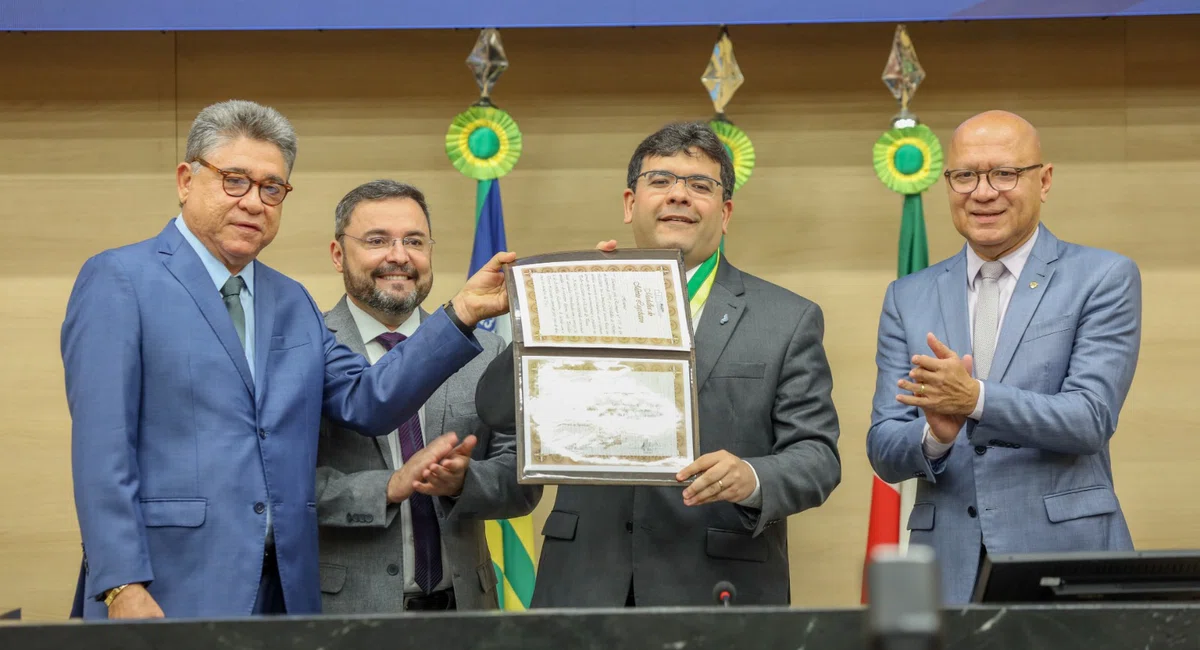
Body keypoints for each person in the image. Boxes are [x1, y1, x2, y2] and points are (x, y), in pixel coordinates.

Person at [62, 99, 515, 619]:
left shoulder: (291, 300)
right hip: (168, 585)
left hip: (289, 592)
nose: (254, 202)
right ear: (187, 180)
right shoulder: (121, 279)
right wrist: (121, 584)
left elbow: (367, 401)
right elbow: (102, 449)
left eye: (272, 188)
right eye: (235, 180)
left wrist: (460, 312)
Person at [474, 121, 842, 607]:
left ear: (725, 212)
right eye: (661, 180)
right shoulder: (577, 294)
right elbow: (497, 410)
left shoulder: (788, 319)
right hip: (583, 584)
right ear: (631, 204)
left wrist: (752, 477)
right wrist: (554, 314)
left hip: (716, 588)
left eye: (700, 185)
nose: (679, 196)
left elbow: (817, 457)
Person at [866, 110, 1142, 604]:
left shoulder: (1103, 277)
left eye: (1004, 173)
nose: (983, 192)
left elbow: (1089, 418)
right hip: (945, 566)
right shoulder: (908, 296)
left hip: (1065, 556)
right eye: (965, 175)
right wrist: (933, 437)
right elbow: (884, 446)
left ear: (1045, 180)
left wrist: (975, 400)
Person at [314, 180, 541, 613]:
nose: (399, 256)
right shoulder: (308, 349)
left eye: (414, 241)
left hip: (465, 612)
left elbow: (522, 481)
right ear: (338, 254)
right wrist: (387, 488)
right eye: (377, 240)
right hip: (347, 617)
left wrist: (463, 482)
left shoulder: (485, 352)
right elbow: (284, 490)